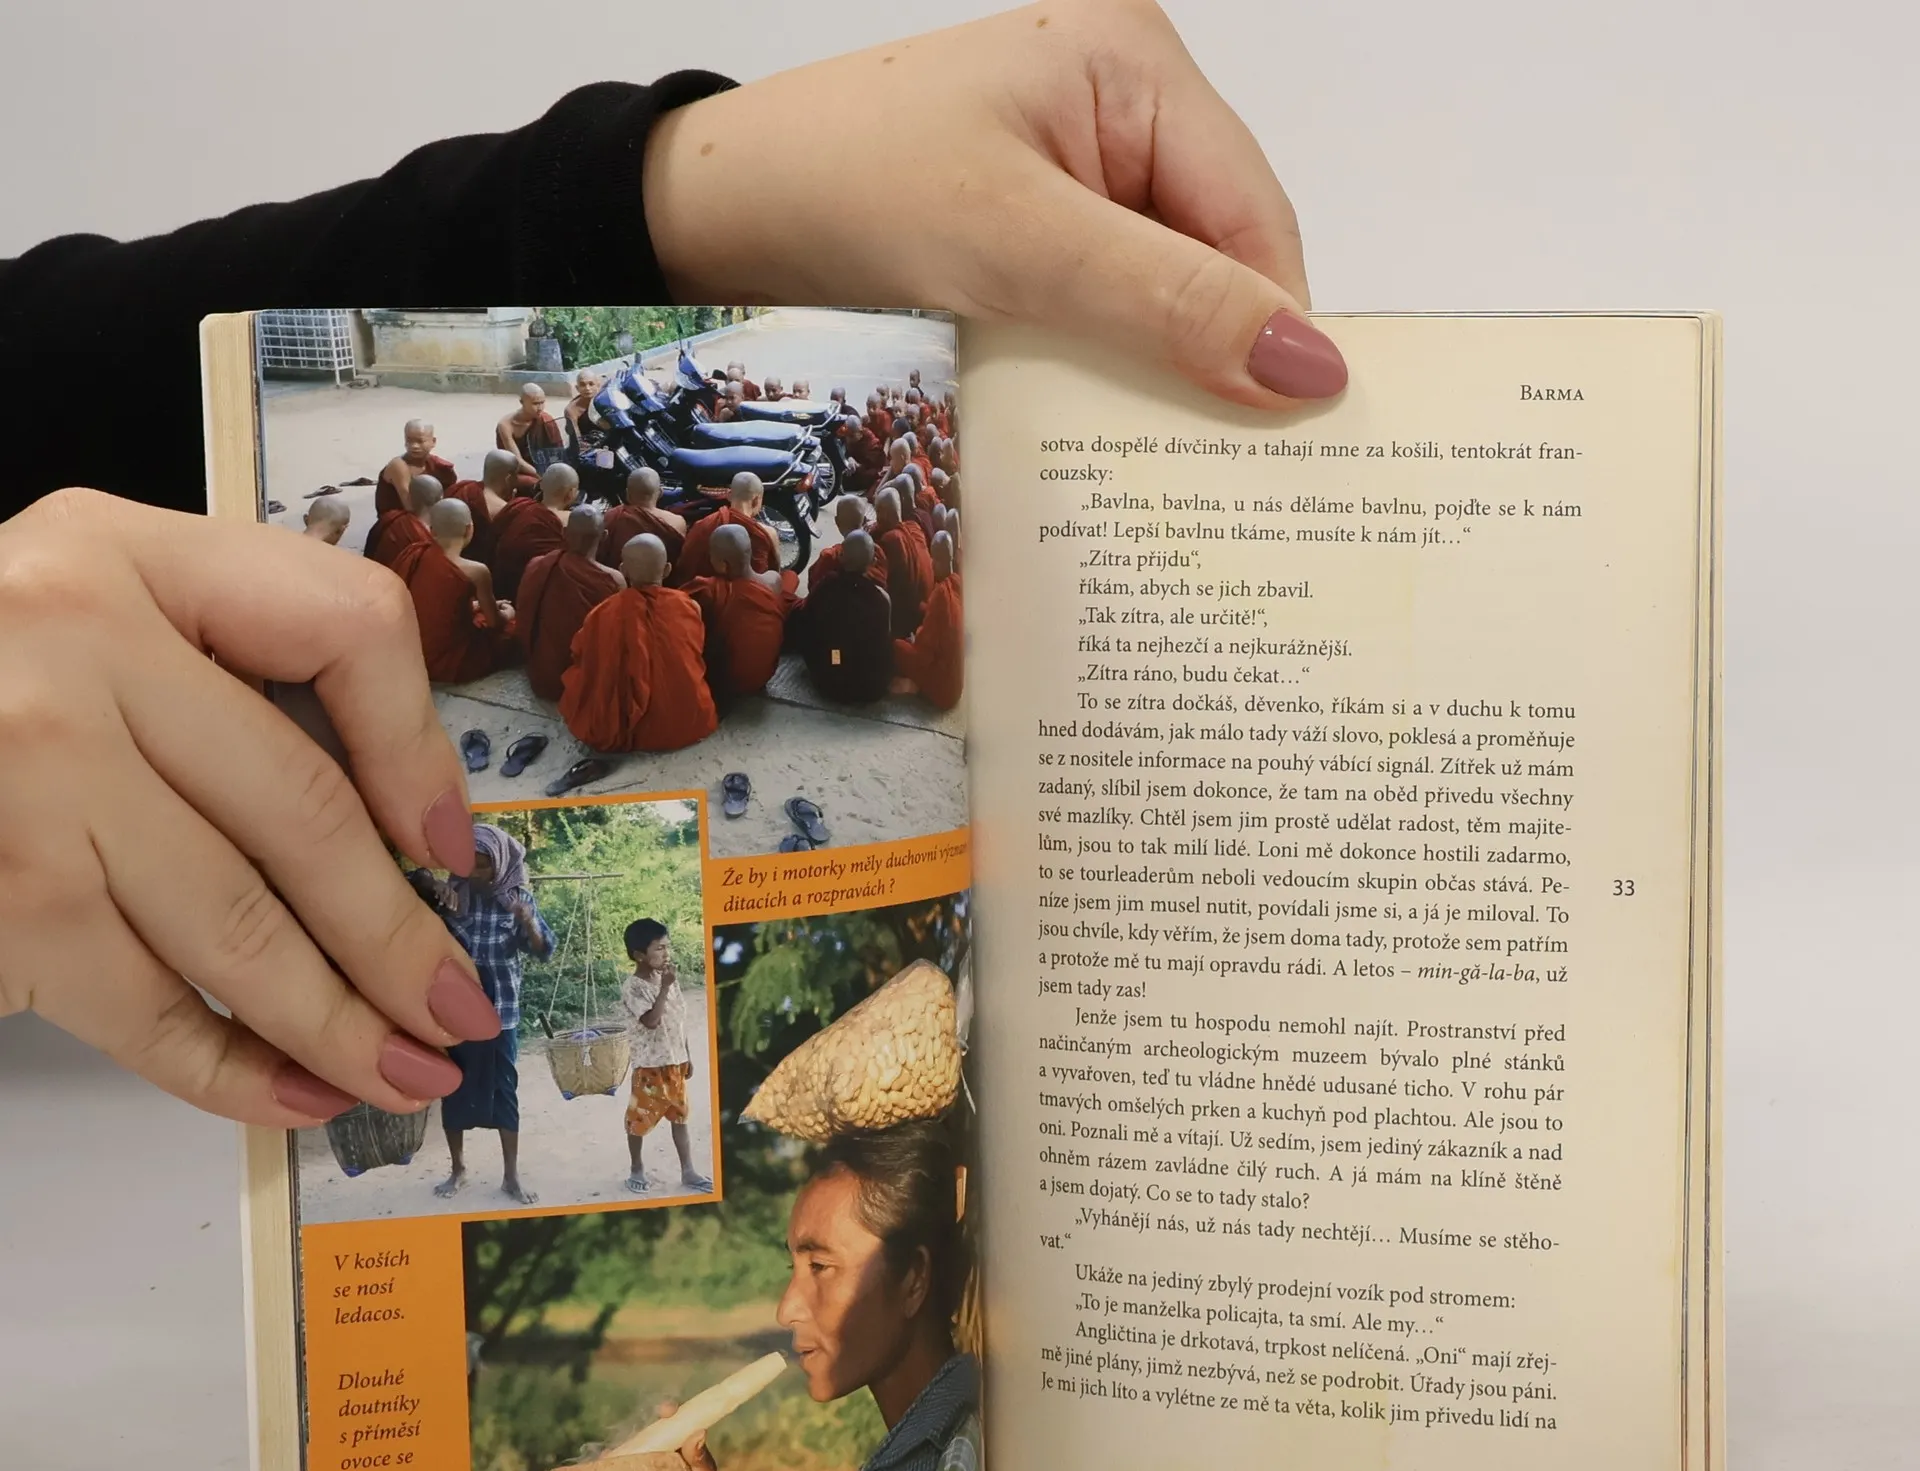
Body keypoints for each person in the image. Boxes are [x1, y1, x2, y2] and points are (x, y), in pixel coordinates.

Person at [0, 2, 1343, 1126]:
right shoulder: (737, 574)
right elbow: (699, 639)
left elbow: (59, 365)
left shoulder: (579, 561)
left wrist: (677, 193)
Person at [665, 1114, 980, 1471]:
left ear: (913, 1279)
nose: (786, 1309)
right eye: (792, 1267)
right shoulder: (910, 1456)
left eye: (820, 1266)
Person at [431, 822, 553, 1205]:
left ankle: (511, 1177)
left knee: (505, 1092)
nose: (475, 873)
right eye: (470, 863)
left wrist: (527, 922)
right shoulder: (452, 894)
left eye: (483, 865)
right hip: (457, 1013)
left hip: (501, 1013)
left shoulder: (518, 899)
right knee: (453, 1089)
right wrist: (433, 893)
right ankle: (458, 1169)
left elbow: (543, 951)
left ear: (500, 863)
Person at [558, 533, 717, 753]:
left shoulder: (602, 613)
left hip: (623, 724)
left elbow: (581, 653)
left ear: (623, 570)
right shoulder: (689, 606)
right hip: (687, 722)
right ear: (667, 570)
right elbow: (696, 649)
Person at [618, 917, 710, 1195]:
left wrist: (686, 1055)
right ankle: (636, 1168)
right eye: (659, 948)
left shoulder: (667, 979)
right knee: (638, 1120)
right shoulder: (634, 987)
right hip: (650, 1067)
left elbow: (678, 1020)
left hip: (674, 1063)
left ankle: (688, 1170)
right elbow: (651, 1021)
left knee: (680, 1117)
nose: (666, 953)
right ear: (639, 955)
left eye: (667, 947)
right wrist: (665, 987)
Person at [390, 497, 515, 684]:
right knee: (512, 633)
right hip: (449, 659)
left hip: (411, 651)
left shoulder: (415, 554)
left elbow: (429, 602)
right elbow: (494, 621)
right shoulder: (477, 571)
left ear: (431, 531)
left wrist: (476, 605)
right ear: (469, 529)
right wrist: (508, 613)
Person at [518, 505, 622, 702]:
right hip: (584, 680)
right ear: (604, 536)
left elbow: (524, 618)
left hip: (542, 674)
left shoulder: (538, 565)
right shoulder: (614, 580)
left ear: (564, 532)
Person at [687, 521, 793, 703]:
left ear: (723, 565)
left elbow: (675, 605)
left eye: (711, 556)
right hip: (764, 675)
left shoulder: (709, 589)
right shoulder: (773, 581)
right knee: (791, 578)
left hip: (724, 681)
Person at [794, 529, 893, 704]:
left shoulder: (825, 587)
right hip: (867, 686)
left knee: (833, 649)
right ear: (873, 562)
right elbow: (882, 647)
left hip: (829, 676)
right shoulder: (881, 599)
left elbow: (806, 624)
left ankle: (837, 664)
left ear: (840, 557)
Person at [893, 528, 963, 710]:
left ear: (937, 560)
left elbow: (923, 653)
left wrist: (914, 639)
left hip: (943, 691)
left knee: (897, 646)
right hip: (957, 679)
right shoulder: (958, 582)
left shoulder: (941, 595)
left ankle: (915, 687)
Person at [489, 461, 578, 600]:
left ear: (541, 484)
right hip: (531, 594)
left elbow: (493, 539)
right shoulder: (569, 521)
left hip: (499, 587)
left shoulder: (518, 506)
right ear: (571, 494)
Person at [671, 471, 779, 584]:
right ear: (756, 500)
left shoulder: (703, 524)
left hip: (704, 590)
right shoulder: (767, 533)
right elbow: (774, 572)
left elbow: (685, 567)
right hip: (749, 593)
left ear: (729, 495)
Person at [446, 449, 522, 571]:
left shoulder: (462, 490)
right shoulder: (503, 508)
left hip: (450, 560)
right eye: (517, 475)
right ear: (508, 478)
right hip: (482, 569)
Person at [597, 465, 686, 568]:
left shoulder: (612, 515)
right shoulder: (677, 522)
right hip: (659, 577)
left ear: (627, 494)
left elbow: (600, 554)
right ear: (660, 493)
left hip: (620, 574)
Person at [873, 487, 932, 639]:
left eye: (877, 511)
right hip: (924, 602)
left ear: (884, 513)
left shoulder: (891, 540)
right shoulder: (914, 527)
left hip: (907, 618)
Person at [373, 420, 458, 519]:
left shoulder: (440, 466)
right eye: (409, 441)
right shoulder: (398, 466)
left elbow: (452, 497)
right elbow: (410, 506)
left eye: (420, 441)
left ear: (433, 441)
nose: (414, 446)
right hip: (401, 521)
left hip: (430, 516)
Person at [807, 494, 888, 589]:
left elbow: (814, 586)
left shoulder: (829, 557)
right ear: (864, 520)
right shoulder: (877, 552)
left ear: (837, 522)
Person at [364, 470, 442, 568]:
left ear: (409, 497)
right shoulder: (425, 539)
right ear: (441, 500)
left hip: (376, 572)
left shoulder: (389, 518)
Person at [496, 382, 564, 492]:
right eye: (535, 403)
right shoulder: (506, 425)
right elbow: (516, 461)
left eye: (542, 402)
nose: (540, 408)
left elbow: (558, 451)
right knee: (532, 483)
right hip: (518, 470)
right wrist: (540, 475)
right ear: (522, 402)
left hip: (544, 466)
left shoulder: (546, 420)